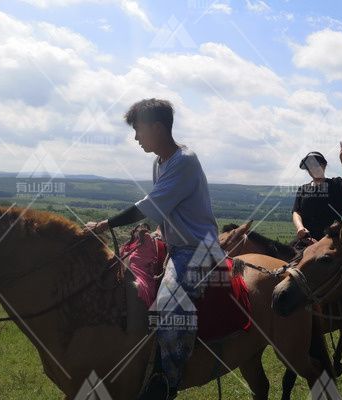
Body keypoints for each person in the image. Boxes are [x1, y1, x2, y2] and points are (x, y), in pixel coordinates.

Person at [85, 98, 221, 398]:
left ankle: (166, 384)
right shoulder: (160, 162)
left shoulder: (184, 160)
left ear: (157, 128)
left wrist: (105, 224)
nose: (136, 138)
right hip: (175, 243)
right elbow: (166, 210)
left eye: (138, 130)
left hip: (199, 250)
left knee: (168, 309)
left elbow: (150, 206)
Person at [292, 142, 342, 335]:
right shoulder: (303, 188)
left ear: (324, 165)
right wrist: (300, 227)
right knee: (288, 265)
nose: (314, 168)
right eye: (310, 166)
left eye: (317, 164)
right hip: (306, 240)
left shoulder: (336, 184)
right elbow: (296, 211)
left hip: (331, 241)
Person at [121, 223, 164, 307]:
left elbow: (148, 258)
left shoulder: (147, 241)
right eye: (138, 229)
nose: (140, 230)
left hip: (139, 271)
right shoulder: (127, 245)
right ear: (134, 232)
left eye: (143, 228)